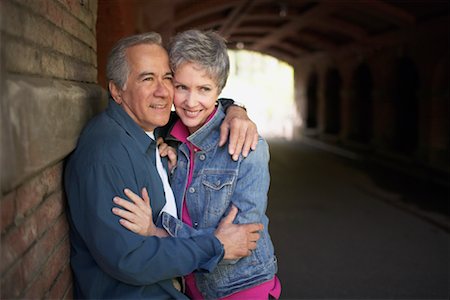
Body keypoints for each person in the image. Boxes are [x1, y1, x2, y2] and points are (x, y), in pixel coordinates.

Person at [64, 32, 263, 299]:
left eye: (167, 78)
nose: (163, 91)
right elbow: (130, 260)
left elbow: (204, 110)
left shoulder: (152, 129)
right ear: (116, 90)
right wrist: (214, 245)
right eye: (147, 78)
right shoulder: (107, 155)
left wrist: (236, 110)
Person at [113, 30, 281, 299]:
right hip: (191, 287)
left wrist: (156, 232)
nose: (191, 103)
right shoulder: (165, 131)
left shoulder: (247, 146)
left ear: (219, 90)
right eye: (181, 87)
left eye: (204, 89)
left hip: (240, 287)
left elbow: (239, 244)